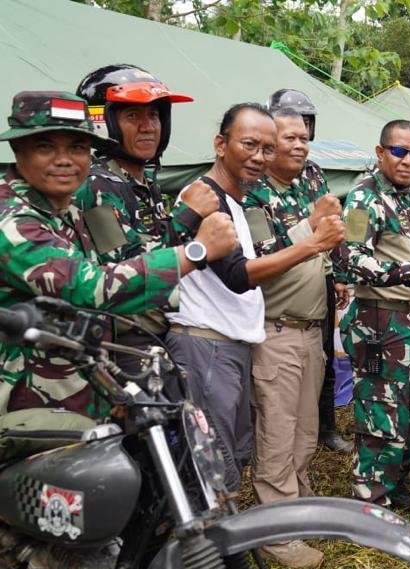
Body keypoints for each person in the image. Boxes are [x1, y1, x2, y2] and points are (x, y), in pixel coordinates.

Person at [0, 90, 236, 415]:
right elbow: (92, 287)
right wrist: (196, 250)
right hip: (24, 409)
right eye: (45, 147)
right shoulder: (11, 220)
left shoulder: (65, 210)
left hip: (74, 394)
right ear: (18, 149)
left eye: (78, 147)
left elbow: (108, 281)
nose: (65, 159)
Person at [164, 103, 345, 494]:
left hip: (235, 341)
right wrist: (312, 240)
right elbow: (238, 275)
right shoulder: (203, 197)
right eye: (250, 145)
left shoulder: (232, 200)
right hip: (205, 344)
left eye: (266, 148)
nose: (259, 157)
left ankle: (281, 516)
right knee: (212, 459)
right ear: (220, 144)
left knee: (238, 448)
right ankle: (227, 546)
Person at [74, 65, 218, 394]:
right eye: (132, 116)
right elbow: (124, 270)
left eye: (154, 115)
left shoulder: (141, 184)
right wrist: (187, 217)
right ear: (104, 121)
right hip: (120, 343)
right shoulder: (99, 184)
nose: (148, 127)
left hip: (152, 336)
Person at [243, 106, 344, 568]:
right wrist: (313, 222)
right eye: (289, 138)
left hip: (311, 329)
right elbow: (264, 259)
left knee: (305, 432)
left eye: (305, 137)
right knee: (277, 435)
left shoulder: (310, 182)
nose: (300, 145)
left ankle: (299, 507)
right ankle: (276, 532)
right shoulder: (251, 194)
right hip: (275, 331)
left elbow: (330, 244)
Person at [341, 119, 410, 511]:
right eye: (399, 152)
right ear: (380, 152)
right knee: (381, 413)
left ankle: (397, 481)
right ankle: (371, 498)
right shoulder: (362, 198)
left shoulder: (408, 195)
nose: (408, 160)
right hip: (379, 323)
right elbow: (348, 262)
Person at [268, 87, 354, 455]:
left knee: (323, 356)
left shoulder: (314, 172)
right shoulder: (257, 179)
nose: (301, 138)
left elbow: (332, 226)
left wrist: (336, 273)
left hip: (320, 276)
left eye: (306, 129)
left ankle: (325, 428)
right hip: (281, 294)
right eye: (292, 132)